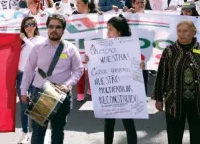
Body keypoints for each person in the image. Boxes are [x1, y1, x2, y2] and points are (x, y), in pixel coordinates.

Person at [21, 14, 84, 144]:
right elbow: (28, 69)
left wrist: (68, 85)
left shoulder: (70, 48)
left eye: (58, 27)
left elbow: (79, 70)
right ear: (47, 28)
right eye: (51, 26)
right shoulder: (37, 48)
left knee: (57, 133)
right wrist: (23, 91)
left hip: (61, 95)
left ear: (63, 30)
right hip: (39, 93)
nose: (54, 30)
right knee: (38, 133)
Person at [85, 15, 141, 144]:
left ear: (119, 32)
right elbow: (97, 66)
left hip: (125, 91)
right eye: (107, 29)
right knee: (109, 123)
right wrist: (90, 61)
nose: (107, 33)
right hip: (109, 92)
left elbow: (136, 68)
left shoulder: (130, 47)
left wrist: (140, 66)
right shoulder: (102, 46)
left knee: (128, 123)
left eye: (110, 29)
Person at [152, 20, 200, 144]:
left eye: (185, 31)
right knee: (174, 135)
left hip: (197, 102)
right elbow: (162, 74)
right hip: (174, 101)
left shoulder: (199, 49)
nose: (182, 34)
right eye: (179, 31)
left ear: (193, 33)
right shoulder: (169, 51)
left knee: (198, 135)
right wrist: (158, 98)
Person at [17, 17, 44, 144]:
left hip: (35, 76)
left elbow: (35, 50)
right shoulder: (19, 41)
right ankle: (25, 133)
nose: (29, 27)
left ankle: (37, 133)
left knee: (35, 105)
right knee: (24, 105)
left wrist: (24, 39)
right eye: (26, 24)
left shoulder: (40, 39)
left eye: (32, 24)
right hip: (21, 76)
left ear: (35, 26)